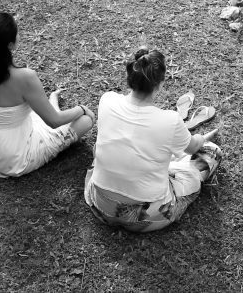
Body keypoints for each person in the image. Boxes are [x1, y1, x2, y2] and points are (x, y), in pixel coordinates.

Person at [84, 48, 221, 232]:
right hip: (143, 216)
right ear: (160, 84)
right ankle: (171, 164)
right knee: (211, 153)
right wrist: (198, 138)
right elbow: (194, 147)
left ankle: (167, 159)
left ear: (129, 76)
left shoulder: (107, 99)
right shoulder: (170, 120)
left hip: (100, 203)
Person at [0, 13, 95, 177]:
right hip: (12, 157)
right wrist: (81, 109)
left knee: (40, 112)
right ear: (11, 45)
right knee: (87, 121)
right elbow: (54, 121)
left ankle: (51, 104)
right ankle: (58, 115)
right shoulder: (24, 77)